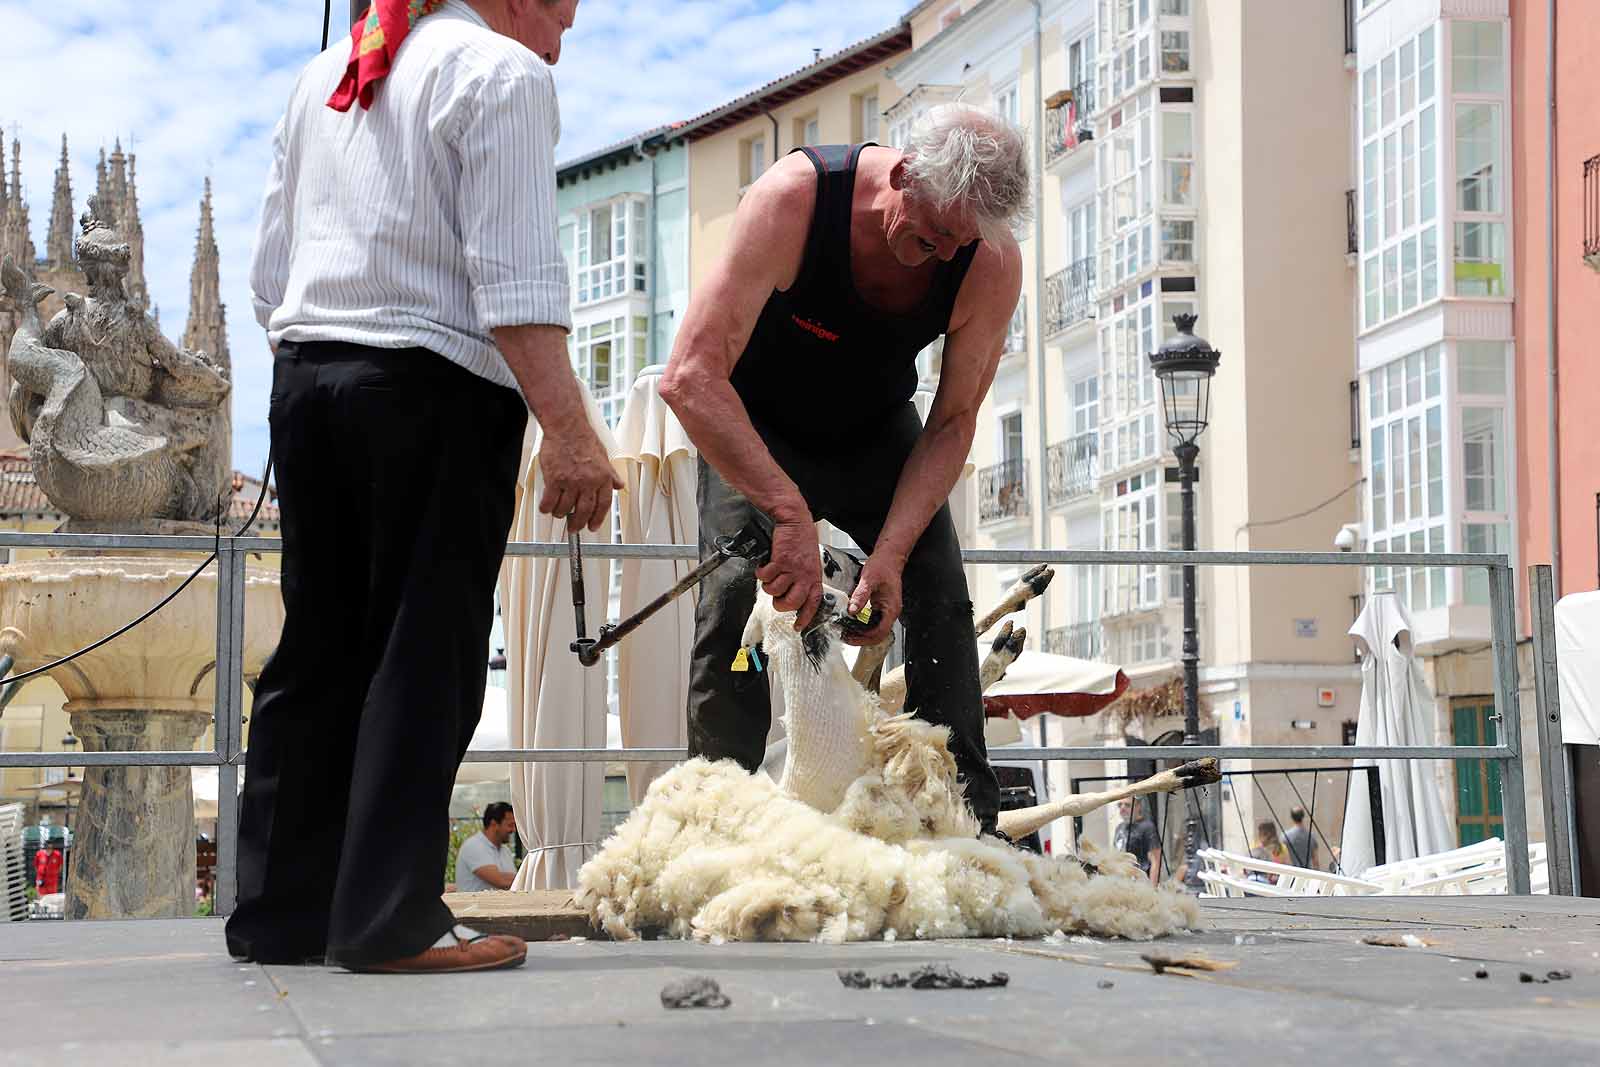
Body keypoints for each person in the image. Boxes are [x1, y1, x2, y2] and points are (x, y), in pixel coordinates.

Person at [226, 0, 615, 976]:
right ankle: (388, 917)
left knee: (317, 648)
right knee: (424, 652)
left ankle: (281, 914)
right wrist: (571, 435)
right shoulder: (503, 75)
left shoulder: (323, 76)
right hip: (433, 384)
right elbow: (514, 277)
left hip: (308, 375)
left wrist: (318, 351)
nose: (560, 43)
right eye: (560, 16)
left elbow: (270, 275)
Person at [660, 105, 1028, 836]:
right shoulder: (795, 200)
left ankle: (963, 825)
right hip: (758, 422)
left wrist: (888, 555)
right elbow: (691, 377)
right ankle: (714, 824)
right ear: (899, 176)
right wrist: (788, 513)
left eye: (954, 245)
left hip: (877, 431)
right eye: (925, 235)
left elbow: (953, 420)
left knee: (940, 601)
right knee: (736, 605)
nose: (936, 256)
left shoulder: (986, 261)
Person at [455, 804, 519, 891]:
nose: (513, 830)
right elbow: (500, 880)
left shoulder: (505, 851)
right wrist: (527, 878)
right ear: (494, 824)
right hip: (473, 904)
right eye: (510, 825)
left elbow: (512, 881)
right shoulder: (474, 846)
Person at [1113, 798, 1162, 884]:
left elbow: (1155, 861)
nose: (1122, 808)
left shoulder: (1147, 827)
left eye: (1127, 805)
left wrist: (1152, 889)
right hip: (1122, 883)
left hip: (1140, 883)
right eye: (1120, 805)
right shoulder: (1119, 828)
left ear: (1138, 806)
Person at [1250, 820, 1290, 884]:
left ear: (1266, 835)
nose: (1259, 836)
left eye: (1260, 834)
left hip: (1268, 883)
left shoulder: (1257, 848)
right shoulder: (1282, 848)